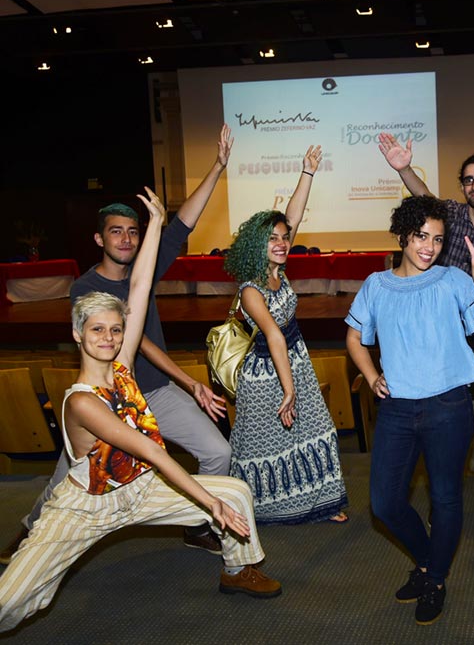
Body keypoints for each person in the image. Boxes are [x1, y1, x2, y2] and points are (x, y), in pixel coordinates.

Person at [0, 188, 280, 633]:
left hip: (141, 492)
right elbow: (153, 452)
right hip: (86, 507)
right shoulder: (81, 401)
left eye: (116, 329)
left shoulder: (124, 367)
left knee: (235, 492)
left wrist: (154, 226)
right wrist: (209, 503)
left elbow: (141, 284)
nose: (109, 337)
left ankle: (236, 571)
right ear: (78, 335)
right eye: (97, 330)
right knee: (12, 602)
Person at [1, 125, 235, 564]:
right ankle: (31, 532)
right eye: (116, 231)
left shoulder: (143, 266)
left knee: (218, 451)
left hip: (156, 394)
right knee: (65, 478)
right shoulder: (85, 287)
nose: (127, 238)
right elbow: (137, 341)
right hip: (106, 402)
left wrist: (218, 166)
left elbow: (185, 221)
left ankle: (196, 524)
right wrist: (191, 382)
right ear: (99, 239)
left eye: (132, 231)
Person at [345, 195, 474, 626]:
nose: (429, 247)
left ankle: (435, 578)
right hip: (397, 408)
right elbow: (354, 337)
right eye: (421, 236)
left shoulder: (454, 279)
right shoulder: (376, 285)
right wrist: (370, 373)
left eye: (437, 239)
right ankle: (426, 560)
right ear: (402, 235)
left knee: (445, 499)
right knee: (384, 503)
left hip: (448, 406)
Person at [379, 134, 474, 487]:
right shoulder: (452, 217)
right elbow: (424, 198)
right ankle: (444, 480)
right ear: (463, 186)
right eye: (469, 179)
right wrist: (403, 168)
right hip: (437, 341)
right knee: (434, 424)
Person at [223, 145, 348, 525]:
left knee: (314, 429)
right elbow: (274, 337)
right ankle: (251, 510)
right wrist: (288, 387)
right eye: (272, 238)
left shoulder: (279, 269)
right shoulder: (251, 288)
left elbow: (290, 219)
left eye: (283, 238)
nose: (281, 242)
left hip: (294, 359)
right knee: (266, 444)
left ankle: (321, 502)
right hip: (266, 375)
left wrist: (307, 173)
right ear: (255, 246)